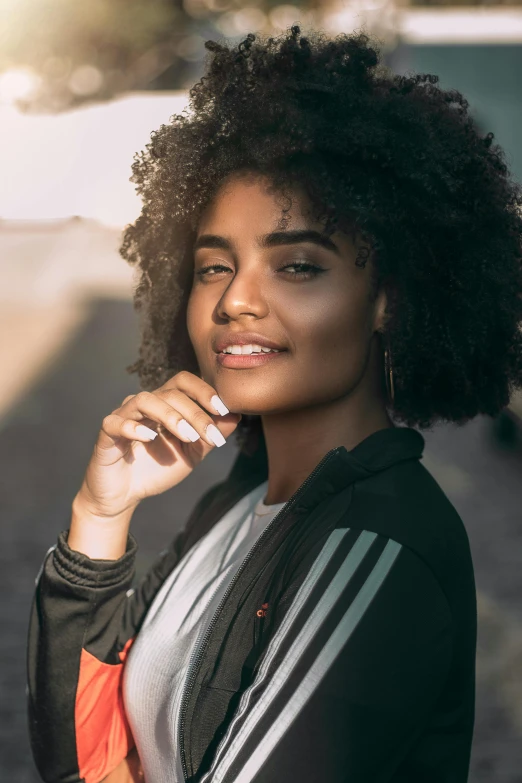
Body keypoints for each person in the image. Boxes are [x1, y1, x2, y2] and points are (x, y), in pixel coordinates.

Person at [27, 25, 522, 783]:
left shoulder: (380, 548)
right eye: (213, 265)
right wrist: (100, 518)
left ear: (388, 300)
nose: (236, 300)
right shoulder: (234, 504)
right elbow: (80, 755)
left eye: (297, 265)